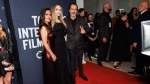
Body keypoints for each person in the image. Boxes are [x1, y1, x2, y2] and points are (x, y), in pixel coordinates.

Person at [64, 3, 91, 83]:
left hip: (80, 43)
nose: (73, 11)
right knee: (72, 60)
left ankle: (81, 73)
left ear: (77, 11)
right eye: (72, 9)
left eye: (75, 9)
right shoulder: (65, 20)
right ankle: (72, 75)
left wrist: (85, 31)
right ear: (69, 10)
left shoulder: (82, 19)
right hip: (70, 44)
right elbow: (63, 31)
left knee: (80, 59)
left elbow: (89, 29)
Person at [128, 1, 150, 75]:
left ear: (146, 7)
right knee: (139, 56)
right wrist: (129, 23)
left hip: (141, 40)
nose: (139, 6)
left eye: (141, 5)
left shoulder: (146, 15)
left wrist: (136, 41)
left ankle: (138, 70)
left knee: (139, 55)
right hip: (141, 40)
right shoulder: (142, 15)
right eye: (139, 5)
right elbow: (136, 23)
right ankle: (138, 67)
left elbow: (142, 30)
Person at [51, 4, 71, 84]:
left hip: (63, 45)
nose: (59, 11)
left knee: (64, 62)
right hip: (56, 46)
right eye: (57, 9)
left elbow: (65, 33)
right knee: (58, 64)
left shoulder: (62, 21)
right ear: (53, 10)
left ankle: (66, 80)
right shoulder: (51, 21)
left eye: (60, 10)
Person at [39, 8, 57, 84]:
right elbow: (45, 43)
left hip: (51, 51)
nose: (49, 16)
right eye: (46, 14)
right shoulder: (44, 27)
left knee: (53, 74)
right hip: (48, 54)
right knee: (50, 74)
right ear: (43, 16)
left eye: (50, 14)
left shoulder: (49, 26)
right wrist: (52, 54)